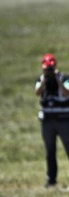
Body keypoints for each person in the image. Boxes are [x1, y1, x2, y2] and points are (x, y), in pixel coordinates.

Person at [35, 53, 69, 187]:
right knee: (50, 151)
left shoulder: (64, 77)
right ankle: (51, 180)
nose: (49, 71)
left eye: (51, 68)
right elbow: (37, 92)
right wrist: (44, 80)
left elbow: (67, 92)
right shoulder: (42, 79)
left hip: (64, 120)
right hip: (48, 121)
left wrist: (58, 80)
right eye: (46, 69)